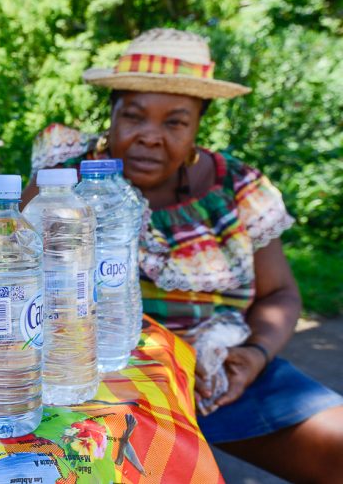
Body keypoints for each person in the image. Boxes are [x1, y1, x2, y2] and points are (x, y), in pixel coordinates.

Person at [23, 28, 343, 483]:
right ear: (111, 114)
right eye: (133, 117)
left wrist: (254, 354)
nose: (150, 137)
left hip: (219, 373)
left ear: (197, 126)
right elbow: (15, 280)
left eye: (175, 123)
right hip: (97, 382)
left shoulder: (236, 188)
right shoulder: (62, 182)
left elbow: (280, 294)